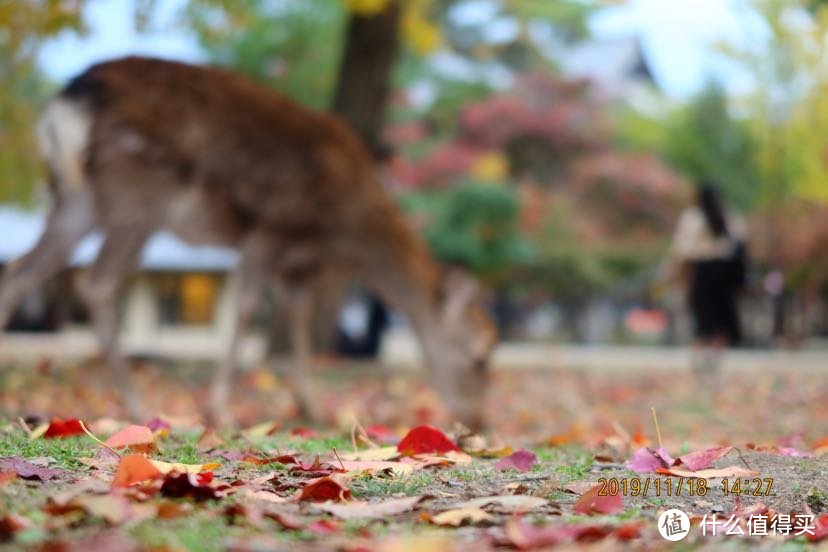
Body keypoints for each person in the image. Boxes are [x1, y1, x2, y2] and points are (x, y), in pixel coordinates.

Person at [662, 183, 749, 373]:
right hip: (724, 274)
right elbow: (741, 243)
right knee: (721, 319)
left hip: (703, 272)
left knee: (702, 318)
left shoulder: (693, 217)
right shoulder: (730, 216)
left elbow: (682, 248)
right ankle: (714, 359)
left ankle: (699, 358)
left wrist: (670, 270)